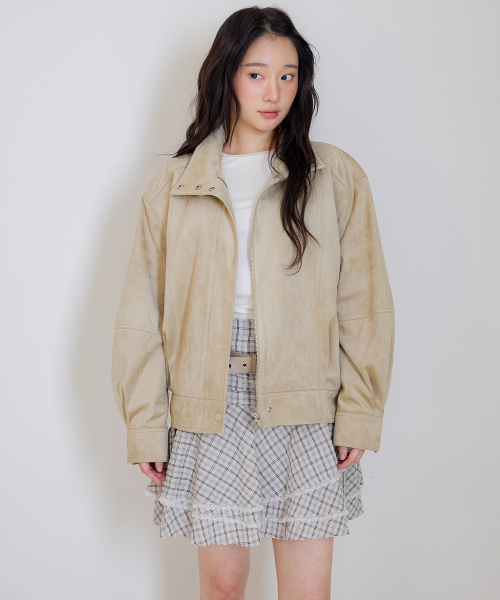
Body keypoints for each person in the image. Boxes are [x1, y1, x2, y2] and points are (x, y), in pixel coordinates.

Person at [111, 6, 395, 599]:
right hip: (208, 402)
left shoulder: (334, 177)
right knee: (222, 590)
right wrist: (146, 422)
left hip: (305, 398)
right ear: (228, 75)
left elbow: (364, 304)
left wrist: (360, 410)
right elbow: (141, 314)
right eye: (257, 74)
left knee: (307, 593)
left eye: (288, 75)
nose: (273, 92)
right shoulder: (176, 183)